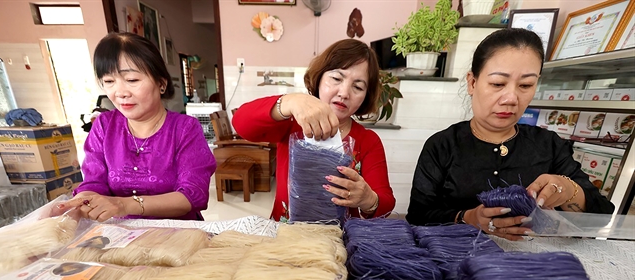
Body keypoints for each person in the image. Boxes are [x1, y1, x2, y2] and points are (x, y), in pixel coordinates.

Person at [406, 28, 614, 241]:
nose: (511, 98)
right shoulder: (442, 145)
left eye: (525, 85)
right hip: (456, 254)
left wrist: (567, 190)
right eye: (498, 84)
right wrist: (468, 218)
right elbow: (417, 217)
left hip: (535, 257)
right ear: (472, 82)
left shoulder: (548, 145)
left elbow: (601, 218)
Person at [58, 32, 216, 222]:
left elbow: (193, 194)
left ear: (161, 83)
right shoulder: (104, 126)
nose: (120, 93)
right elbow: (94, 183)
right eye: (109, 82)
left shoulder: (184, 128)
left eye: (132, 80)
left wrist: (124, 205)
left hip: (178, 232)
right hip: (121, 232)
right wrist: (81, 201)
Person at [232, 39, 395, 221]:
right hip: (285, 232)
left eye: (357, 87)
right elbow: (241, 124)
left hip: (340, 237)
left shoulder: (368, 141)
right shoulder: (291, 123)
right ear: (319, 78)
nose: (344, 93)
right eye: (336, 79)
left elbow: (386, 204)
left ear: (366, 96)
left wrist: (368, 199)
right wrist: (289, 101)